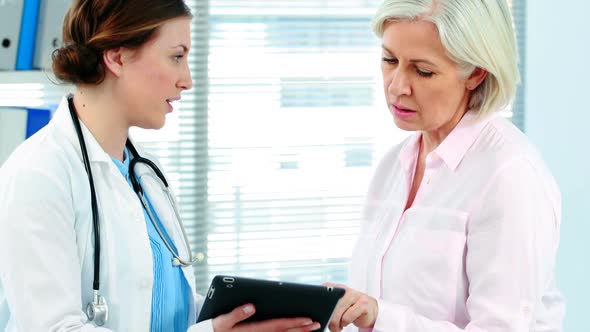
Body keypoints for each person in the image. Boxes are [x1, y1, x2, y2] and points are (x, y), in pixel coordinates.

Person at [0, 1, 321, 331]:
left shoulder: (144, 176)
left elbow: (159, 308)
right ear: (117, 56)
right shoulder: (39, 175)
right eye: (177, 56)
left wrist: (242, 318)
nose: (187, 80)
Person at [326, 0, 565, 331]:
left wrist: (379, 316)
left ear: (476, 73)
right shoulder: (393, 167)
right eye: (389, 60)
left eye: (423, 70)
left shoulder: (509, 175)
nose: (397, 86)